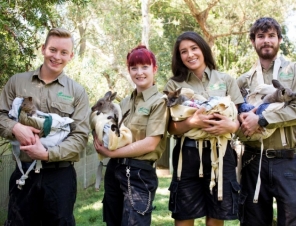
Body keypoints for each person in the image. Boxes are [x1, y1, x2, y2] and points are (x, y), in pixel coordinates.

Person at [0, 28, 90, 226]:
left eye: (64, 52)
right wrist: (15, 128)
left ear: (71, 55)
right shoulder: (17, 82)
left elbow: (81, 136)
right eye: (53, 49)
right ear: (43, 49)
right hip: (24, 173)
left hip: (60, 175)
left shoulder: (77, 92)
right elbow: (1, 116)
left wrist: (48, 154)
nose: (57, 56)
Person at [164, 31, 244, 226]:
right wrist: (192, 123)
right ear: (179, 56)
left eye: (194, 48)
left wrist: (232, 125)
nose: (190, 54)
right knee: (183, 215)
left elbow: (241, 119)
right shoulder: (174, 84)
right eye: (184, 51)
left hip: (221, 153)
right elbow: (169, 128)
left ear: (203, 49)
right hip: (187, 154)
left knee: (217, 213)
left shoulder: (226, 80)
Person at [93, 45, 169, 225]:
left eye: (145, 67)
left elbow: (151, 144)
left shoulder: (159, 102)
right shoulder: (125, 102)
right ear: (129, 70)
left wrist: (111, 153)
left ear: (154, 69)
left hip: (139, 173)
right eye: (134, 68)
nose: (139, 72)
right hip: (114, 170)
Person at [237, 17, 296, 226]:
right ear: (253, 41)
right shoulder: (243, 81)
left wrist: (262, 119)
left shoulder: (294, 72)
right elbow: (235, 118)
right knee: (253, 221)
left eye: (271, 36)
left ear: (280, 39)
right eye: (261, 36)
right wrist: (241, 119)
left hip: (288, 161)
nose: (266, 41)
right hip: (253, 161)